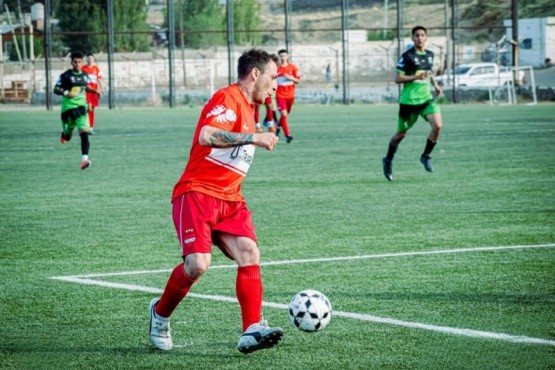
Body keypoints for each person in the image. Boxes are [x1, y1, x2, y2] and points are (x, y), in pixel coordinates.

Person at [149, 48, 283, 354]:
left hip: (231, 199)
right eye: (273, 77)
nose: (276, 85)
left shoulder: (250, 109)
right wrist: (254, 138)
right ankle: (160, 314)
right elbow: (207, 135)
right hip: (197, 193)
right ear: (255, 74)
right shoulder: (228, 98)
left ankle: (251, 329)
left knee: (250, 251)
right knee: (197, 265)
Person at [382, 25, 443, 181]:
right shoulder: (407, 56)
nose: (420, 38)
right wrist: (415, 77)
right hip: (409, 103)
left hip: (426, 99)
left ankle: (426, 156)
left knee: (437, 126)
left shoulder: (430, 55)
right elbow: (398, 79)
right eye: (416, 35)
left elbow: (428, 72)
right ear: (412, 38)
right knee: (401, 135)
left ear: (426, 37)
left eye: (422, 35)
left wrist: (435, 85)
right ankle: (388, 160)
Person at [54, 51, 101, 170]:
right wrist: (66, 92)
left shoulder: (85, 75)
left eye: (79, 62)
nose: (77, 64)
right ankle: (64, 135)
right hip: (68, 110)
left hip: (81, 110)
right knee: (68, 137)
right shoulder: (65, 76)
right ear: (71, 62)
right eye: (75, 62)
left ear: (82, 62)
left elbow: (85, 86)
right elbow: (56, 89)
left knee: (84, 133)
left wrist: (95, 91)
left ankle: (84, 160)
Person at [275, 49, 301, 143]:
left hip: (290, 96)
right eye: (281, 56)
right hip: (280, 96)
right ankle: (288, 135)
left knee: (285, 116)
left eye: (284, 55)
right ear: (278, 57)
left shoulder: (293, 68)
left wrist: (290, 78)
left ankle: (277, 127)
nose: (282, 58)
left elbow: (298, 81)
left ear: (287, 56)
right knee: (284, 114)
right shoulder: (276, 69)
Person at [81, 53, 103, 135]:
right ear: (86, 59)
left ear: (93, 59)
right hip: (87, 91)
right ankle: (84, 124)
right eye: (88, 58)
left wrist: (101, 89)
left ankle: (90, 128)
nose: (90, 59)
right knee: (89, 108)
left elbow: (99, 79)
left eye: (91, 58)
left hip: (94, 91)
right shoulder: (83, 68)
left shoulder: (96, 69)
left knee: (92, 110)